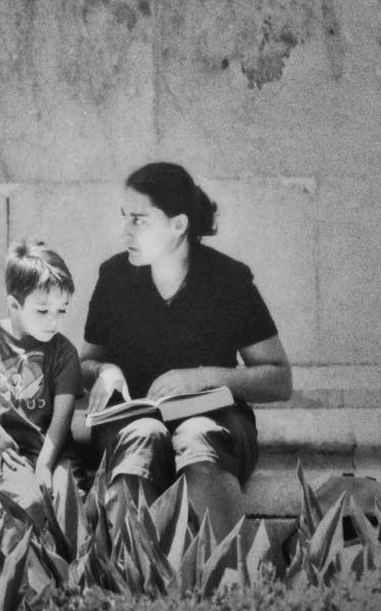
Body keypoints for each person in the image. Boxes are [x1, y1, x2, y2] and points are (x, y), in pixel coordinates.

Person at [79, 162, 292, 537]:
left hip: (216, 421)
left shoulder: (228, 279)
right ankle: (131, 570)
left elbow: (278, 378)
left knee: (197, 436)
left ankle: (225, 569)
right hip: (132, 421)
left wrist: (201, 378)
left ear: (178, 225)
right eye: (124, 217)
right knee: (141, 436)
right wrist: (104, 371)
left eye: (139, 220)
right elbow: (85, 364)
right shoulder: (114, 277)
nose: (125, 231)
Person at [0, 239, 85, 527]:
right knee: (30, 504)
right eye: (43, 311)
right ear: (14, 305)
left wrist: (45, 465)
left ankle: (72, 558)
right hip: (8, 453)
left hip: (55, 451)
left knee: (69, 504)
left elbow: (62, 417)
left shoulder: (64, 352)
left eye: (62, 310)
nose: (54, 321)